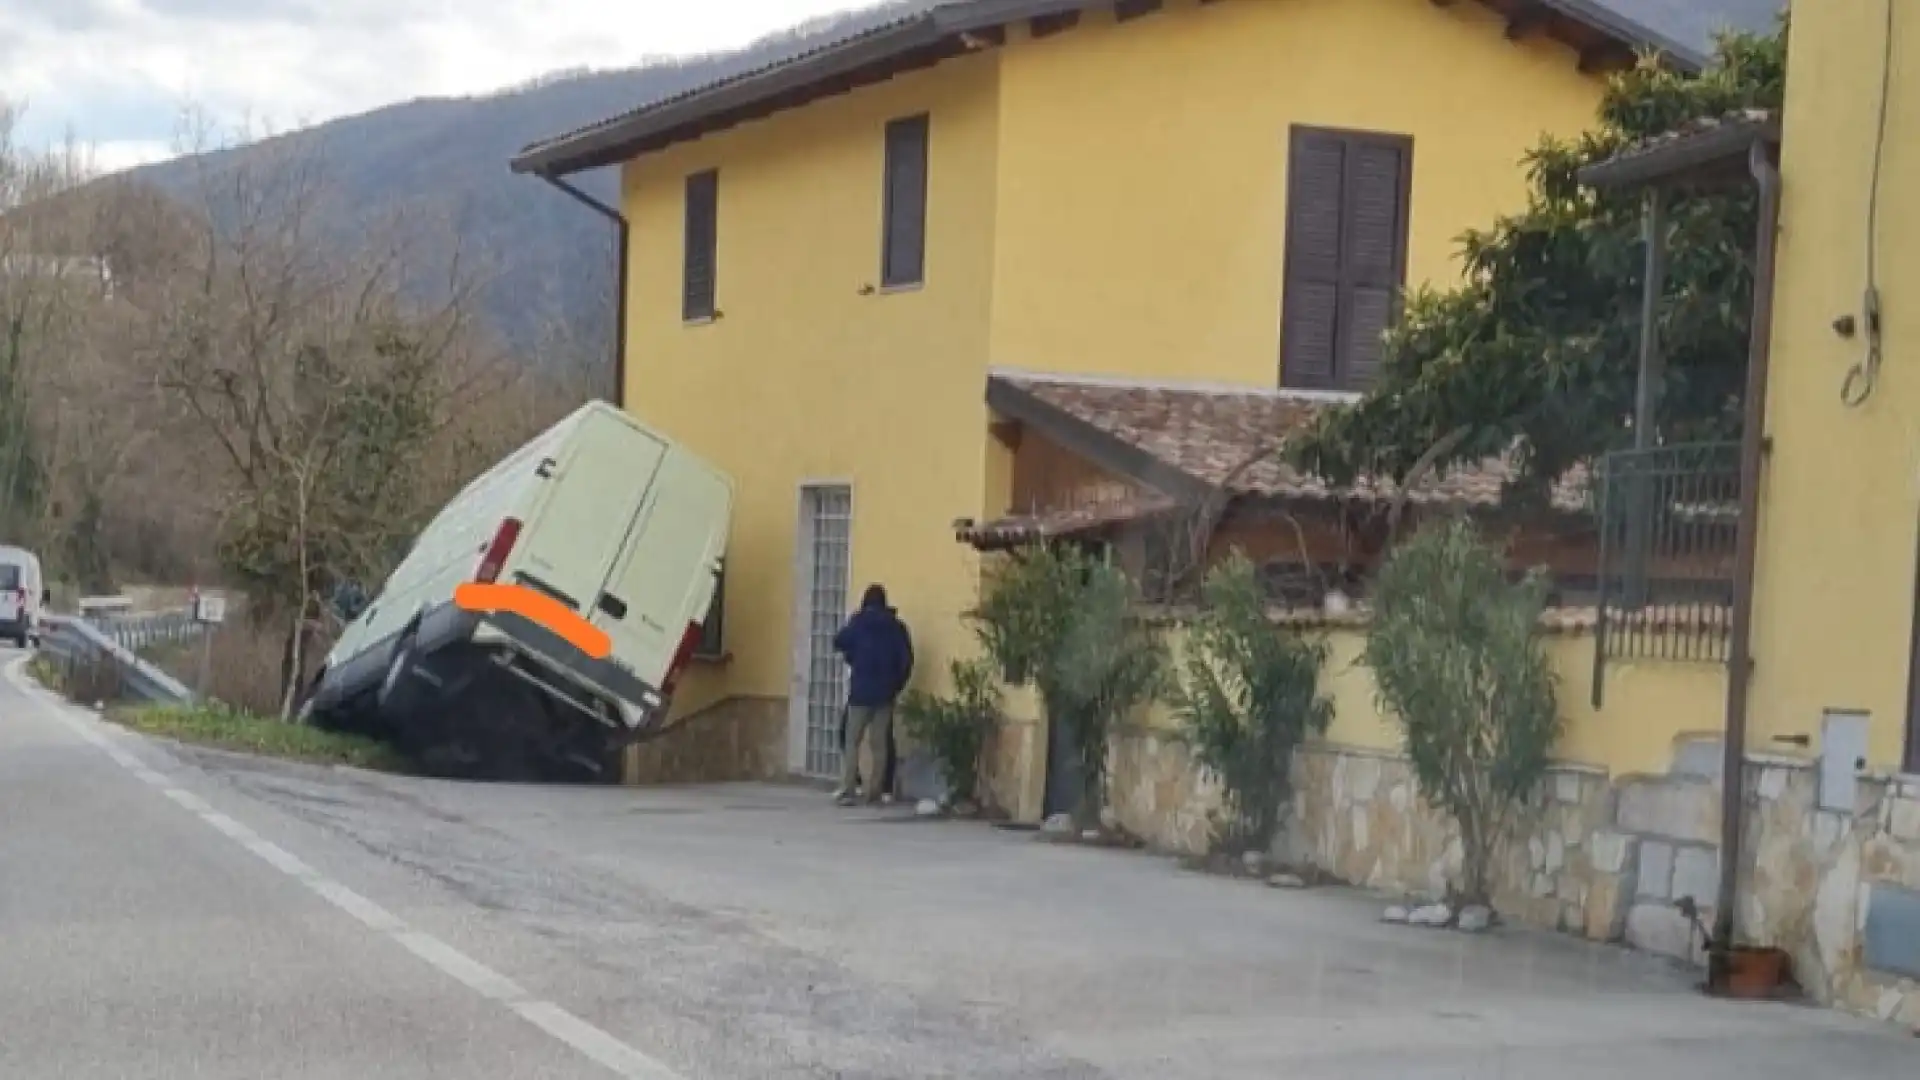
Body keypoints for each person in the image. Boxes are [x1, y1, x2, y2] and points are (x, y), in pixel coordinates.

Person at [831, 584, 914, 806]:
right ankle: (875, 792)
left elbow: (838, 641)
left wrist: (852, 656)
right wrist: (896, 685)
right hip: (885, 694)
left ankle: (849, 788)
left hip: (860, 692)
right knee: (880, 744)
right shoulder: (897, 627)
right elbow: (906, 661)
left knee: (851, 741)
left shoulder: (859, 623)